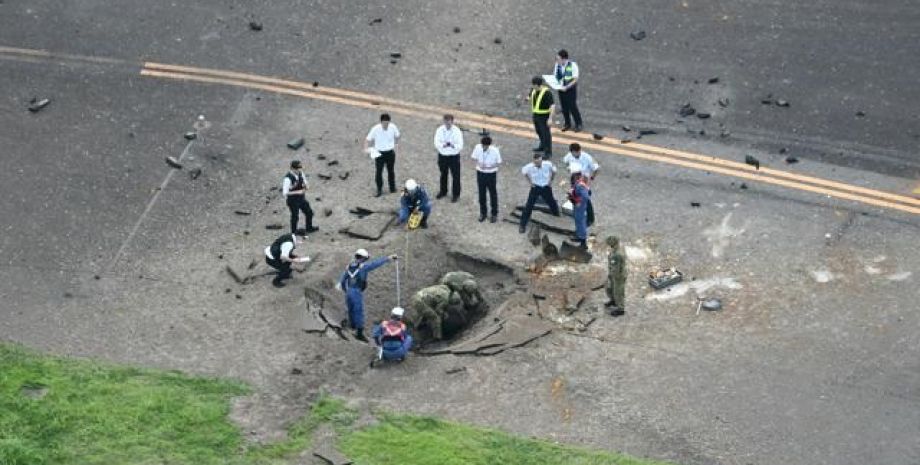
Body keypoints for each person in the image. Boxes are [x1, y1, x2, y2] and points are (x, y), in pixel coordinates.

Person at [339, 249, 397, 341]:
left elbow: (342, 281)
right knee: (358, 311)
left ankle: (352, 325)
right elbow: (375, 264)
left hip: (349, 291)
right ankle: (359, 333)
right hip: (356, 292)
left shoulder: (349, 267)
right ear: (362, 258)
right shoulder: (364, 267)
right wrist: (388, 258)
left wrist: (345, 290)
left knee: (350, 309)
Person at [518, 153, 559, 234]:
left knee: (551, 202)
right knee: (529, 206)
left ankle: (556, 215)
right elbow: (524, 172)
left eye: (540, 162)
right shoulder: (529, 167)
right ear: (534, 161)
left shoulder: (547, 164)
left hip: (546, 187)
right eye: (536, 163)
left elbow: (554, 170)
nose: (538, 164)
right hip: (535, 187)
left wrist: (551, 181)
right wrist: (530, 182)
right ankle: (522, 225)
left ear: (541, 160)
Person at [363, 113, 401, 197]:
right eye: (384, 123)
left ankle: (392, 187)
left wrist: (397, 144)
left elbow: (398, 135)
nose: (386, 125)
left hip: (390, 152)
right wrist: (366, 149)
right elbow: (367, 139)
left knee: (391, 171)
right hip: (379, 153)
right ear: (381, 122)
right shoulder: (375, 129)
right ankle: (379, 189)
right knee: (379, 172)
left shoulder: (393, 127)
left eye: (387, 123)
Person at [563, 143, 599, 225]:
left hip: (583, 179)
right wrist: (568, 168)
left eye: (577, 152)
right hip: (574, 178)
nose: (576, 154)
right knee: (574, 196)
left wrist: (592, 177)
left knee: (585, 199)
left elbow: (596, 168)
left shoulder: (587, 157)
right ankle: (577, 213)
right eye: (574, 153)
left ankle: (590, 219)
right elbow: (565, 161)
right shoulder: (569, 155)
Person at [470, 136, 502, 223]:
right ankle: (483, 213)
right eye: (483, 146)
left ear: (489, 145)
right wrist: (479, 163)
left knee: (493, 194)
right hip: (480, 173)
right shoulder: (477, 147)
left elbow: (498, 163)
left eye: (486, 146)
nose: (484, 147)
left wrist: (490, 166)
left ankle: (494, 213)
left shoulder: (495, 150)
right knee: (481, 193)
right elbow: (473, 158)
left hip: (491, 174)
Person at [282, 160, 318, 235]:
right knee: (295, 216)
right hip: (293, 201)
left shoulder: (300, 173)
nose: (299, 170)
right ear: (292, 168)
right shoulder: (288, 178)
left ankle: (309, 227)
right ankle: (293, 232)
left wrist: (306, 186)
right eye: (297, 169)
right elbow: (285, 192)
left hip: (301, 198)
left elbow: (305, 181)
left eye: (299, 168)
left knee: (309, 212)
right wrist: (297, 192)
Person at [434, 114, 464, 202]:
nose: (447, 122)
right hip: (443, 156)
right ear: (444, 121)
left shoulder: (457, 131)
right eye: (446, 121)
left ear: (452, 121)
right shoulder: (439, 130)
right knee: (443, 174)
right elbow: (436, 143)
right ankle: (443, 191)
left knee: (456, 176)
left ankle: (456, 194)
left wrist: (452, 145)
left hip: (454, 156)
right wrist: (444, 145)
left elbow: (460, 145)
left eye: (449, 121)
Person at [554, 49, 583, 132]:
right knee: (564, 107)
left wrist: (566, 87)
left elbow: (575, 79)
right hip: (561, 89)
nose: (557, 61)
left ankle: (579, 123)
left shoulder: (573, 65)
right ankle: (567, 123)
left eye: (558, 59)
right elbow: (556, 75)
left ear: (564, 59)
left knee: (572, 106)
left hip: (570, 89)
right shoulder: (557, 65)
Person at [529, 76, 555, 159]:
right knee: (539, 131)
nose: (532, 86)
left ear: (538, 85)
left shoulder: (547, 93)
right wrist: (527, 99)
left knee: (546, 134)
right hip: (536, 115)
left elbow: (552, 105)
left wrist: (550, 118)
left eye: (534, 85)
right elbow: (530, 96)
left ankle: (548, 152)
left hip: (544, 116)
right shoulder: (533, 90)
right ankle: (542, 146)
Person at [568, 163, 591, 248]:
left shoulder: (580, 185)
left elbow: (585, 196)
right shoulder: (576, 180)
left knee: (580, 222)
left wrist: (579, 203)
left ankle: (583, 242)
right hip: (576, 203)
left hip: (579, 206)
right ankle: (579, 235)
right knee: (577, 220)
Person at [605, 236, 626, 316]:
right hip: (613, 273)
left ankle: (620, 309)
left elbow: (616, 268)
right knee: (610, 288)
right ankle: (613, 300)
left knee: (618, 292)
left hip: (618, 276)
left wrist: (613, 277)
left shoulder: (617, 254)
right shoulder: (616, 249)